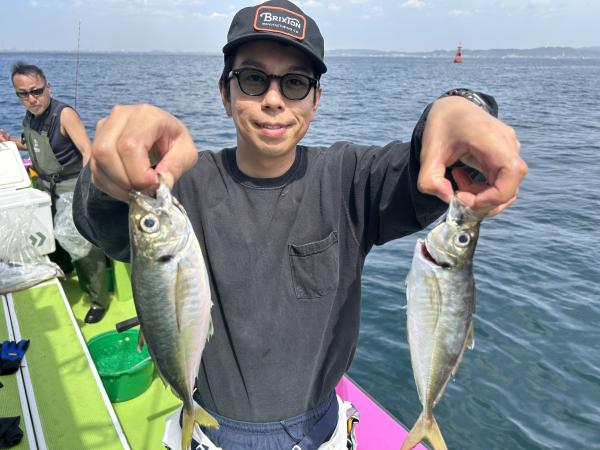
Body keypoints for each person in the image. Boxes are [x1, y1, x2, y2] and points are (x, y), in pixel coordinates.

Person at [73, 0, 527, 448]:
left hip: (320, 430)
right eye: (253, 79)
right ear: (225, 94)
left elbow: (425, 168)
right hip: (209, 430)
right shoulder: (178, 187)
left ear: (316, 100)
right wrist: (114, 178)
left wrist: (459, 108)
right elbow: (100, 223)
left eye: (294, 83)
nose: (273, 100)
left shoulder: (351, 179)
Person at [1, 62, 111, 324]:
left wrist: (88, 189)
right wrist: (9, 141)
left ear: (48, 87)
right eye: (23, 94)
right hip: (44, 184)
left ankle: (99, 299)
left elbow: (87, 151)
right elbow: (32, 145)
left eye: (36, 91)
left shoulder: (64, 115)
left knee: (80, 241)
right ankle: (65, 269)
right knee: (46, 231)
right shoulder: (31, 116)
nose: (31, 99)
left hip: (70, 184)